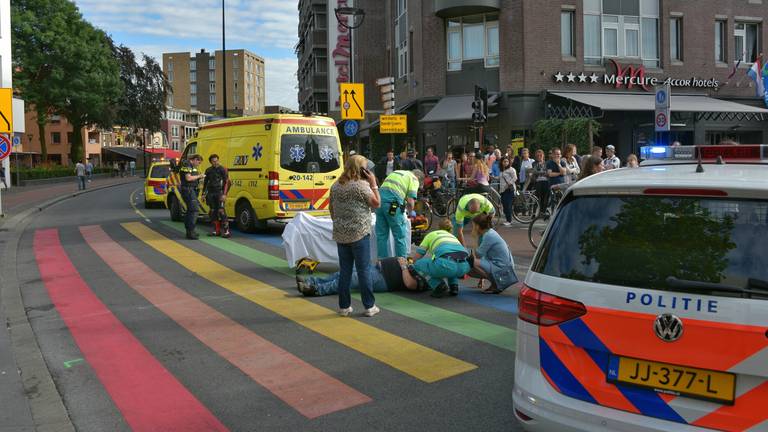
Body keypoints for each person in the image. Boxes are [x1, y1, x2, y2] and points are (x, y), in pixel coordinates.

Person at [329, 155, 381, 317]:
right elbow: (377, 204)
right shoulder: (361, 186)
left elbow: (331, 209)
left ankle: (344, 307)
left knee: (345, 270)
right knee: (363, 269)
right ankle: (369, 306)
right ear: (361, 169)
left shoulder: (336, 186)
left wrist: (341, 222)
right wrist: (373, 184)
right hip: (359, 234)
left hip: (341, 234)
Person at [296, 257, 426, 297]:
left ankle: (316, 289)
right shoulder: (427, 267)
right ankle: (312, 281)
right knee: (343, 273)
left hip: (385, 278)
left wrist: (403, 266)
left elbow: (410, 284)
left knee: (351, 279)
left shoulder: (426, 279)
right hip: (379, 269)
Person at [412, 220, 470, 298]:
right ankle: (454, 286)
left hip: (446, 265)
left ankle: (438, 285)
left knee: (417, 264)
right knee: (452, 260)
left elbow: (418, 256)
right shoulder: (453, 237)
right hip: (464, 267)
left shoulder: (431, 234)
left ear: (438, 228)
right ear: (450, 230)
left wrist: (409, 263)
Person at [376, 168, 424, 259]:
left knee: (381, 235)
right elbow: (410, 201)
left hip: (379, 203)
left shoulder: (397, 172)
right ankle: (402, 263)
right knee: (399, 235)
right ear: (418, 178)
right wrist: (410, 213)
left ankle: (382, 262)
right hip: (392, 205)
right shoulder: (414, 179)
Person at [467, 214, 519, 294]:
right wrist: (482, 280)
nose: (472, 228)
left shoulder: (489, 236)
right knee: (470, 268)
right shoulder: (488, 233)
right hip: (501, 265)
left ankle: (496, 284)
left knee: (470, 262)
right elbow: (482, 257)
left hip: (503, 267)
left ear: (477, 226)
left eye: (473, 226)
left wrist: (475, 237)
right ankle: (495, 283)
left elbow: (477, 255)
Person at [203, 154, 232, 238]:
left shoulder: (223, 169)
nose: (215, 162)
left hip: (220, 193)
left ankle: (226, 232)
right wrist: (203, 194)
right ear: (211, 162)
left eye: (216, 161)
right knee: (212, 211)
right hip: (211, 194)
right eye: (213, 161)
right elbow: (205, 183)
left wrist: (224, 194)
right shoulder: (208, 170)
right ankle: (216, 231)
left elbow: (227, 182)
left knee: (221, 211)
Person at [179, 154, 205, 239]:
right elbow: (188, 178)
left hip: (190, 190)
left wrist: (199, 179)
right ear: (195, 159)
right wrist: (199, 176)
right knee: (194, 210)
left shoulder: (190, 166)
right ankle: (191, 232)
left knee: (190, 210)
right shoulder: (187, 164)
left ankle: (189, 231)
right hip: (188, 190)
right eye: (198, 162)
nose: (198, 164)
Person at [498, 157, 517, 226]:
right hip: (502, 190)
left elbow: (515, 178)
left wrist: (509, 183)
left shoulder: (511, 169)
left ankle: (509, 221)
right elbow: (500, 178)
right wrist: (493, 177)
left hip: (509, 189)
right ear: (501, 162)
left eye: (507, 161)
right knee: (504, 204)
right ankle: (507, 220)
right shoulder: (502, 170)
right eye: (504, 161)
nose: (505, 163)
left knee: (507, 204)